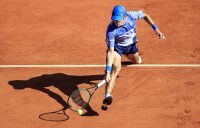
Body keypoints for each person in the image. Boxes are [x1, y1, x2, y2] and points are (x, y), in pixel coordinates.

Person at [101, 5, 165, 110]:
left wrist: (156, 29)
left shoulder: (132, 16)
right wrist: (107, 71)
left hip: (131, 47)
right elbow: (111, 51)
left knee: (138, 61)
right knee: (116, 68)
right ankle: (107, 96)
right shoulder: (111, 30)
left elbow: (145, 15)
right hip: (117, 48)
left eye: (119, 20)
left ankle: (125, 58)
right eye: (115, 20)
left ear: (125, 17)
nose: (116, 22)